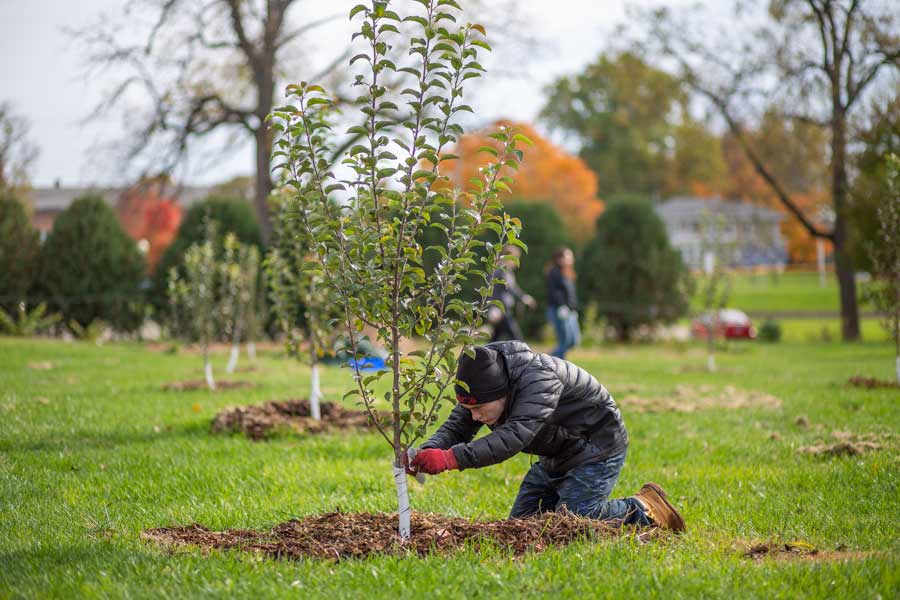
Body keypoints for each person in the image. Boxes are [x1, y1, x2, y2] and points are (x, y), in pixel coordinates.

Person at [405, 342, 685, 531]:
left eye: (478, 409)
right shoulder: (486, 383)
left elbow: (513, 437)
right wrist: (427, 451)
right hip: (558, 454)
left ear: (502, 393)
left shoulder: (539, 379)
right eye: (469, 408)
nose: (474, 415)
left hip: (597, 447)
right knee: (521, 526)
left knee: (575, 518)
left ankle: (643, 507)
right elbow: (457, 426)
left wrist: (450, 458)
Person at [488, 245, 536, 342]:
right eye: (515, 258)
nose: (516, 262)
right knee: (516, 337)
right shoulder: (501, 270)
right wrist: (523, 297)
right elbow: (509, 288)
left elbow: (513, 287)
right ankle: (524, 355)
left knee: (495, 339)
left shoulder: (505, 270)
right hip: (502, 309)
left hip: (503, 309)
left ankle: (484, 356)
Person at [545, 247, 580, 358]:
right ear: (559, 258)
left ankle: (549, 358)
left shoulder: (567, 273)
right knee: (565, 341)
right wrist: (562, 306)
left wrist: (573, 309)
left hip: (570, 311)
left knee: (574, 340)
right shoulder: (554, 273)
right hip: (559, 310)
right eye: (567, 256)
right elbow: (554, 292)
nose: (571, 258)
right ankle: (554, 363)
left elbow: (570, 294)